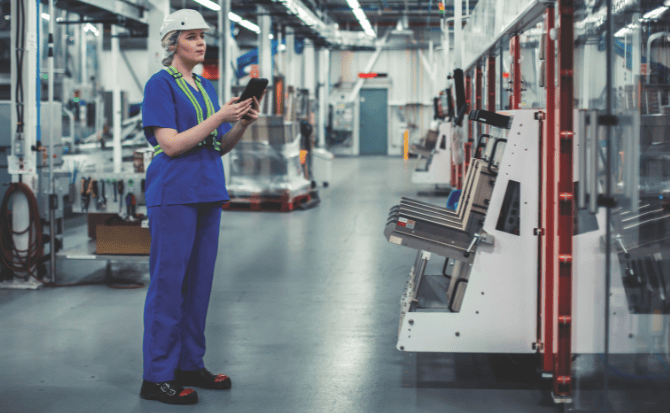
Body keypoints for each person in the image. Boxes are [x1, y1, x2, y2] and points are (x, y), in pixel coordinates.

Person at [139, 9, 262, 405]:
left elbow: (219, 146)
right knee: (167, 286)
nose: (200, 43)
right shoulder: (159, 85)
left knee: (199, 286)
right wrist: (220, 117)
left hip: (207, 191)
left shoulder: (207, 89)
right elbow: (171, 144)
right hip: (174, 194)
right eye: (191, 37)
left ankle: (190, 363)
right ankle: (157, 375)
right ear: (172, 43)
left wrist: (240, 122)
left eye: (202, 37)